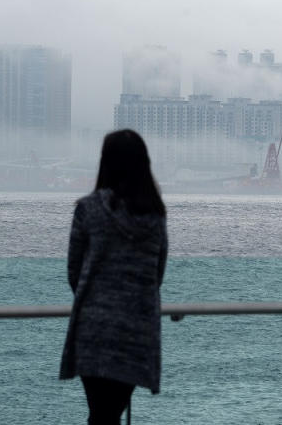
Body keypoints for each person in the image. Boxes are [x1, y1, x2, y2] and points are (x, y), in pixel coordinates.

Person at [60, 129, 168, 425]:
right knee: (111, 412)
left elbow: (74, 271)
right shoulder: (155, 215)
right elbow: (157, 273)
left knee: (99, 412)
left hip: (93, 328)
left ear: (105, 162)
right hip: (137, 328)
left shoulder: (88, 209)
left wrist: (97, 300)